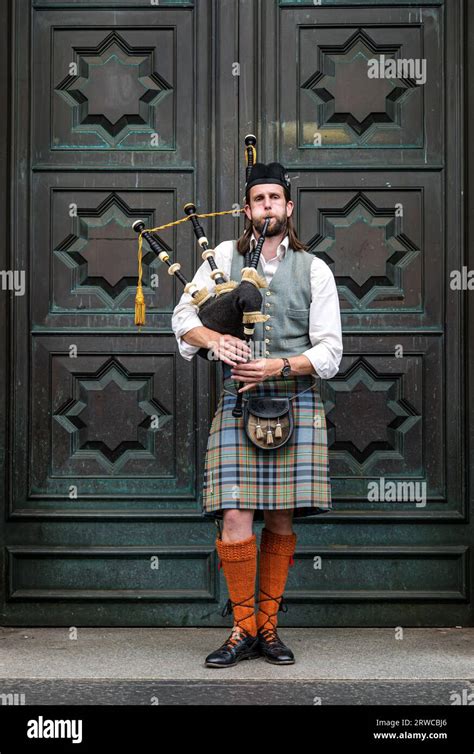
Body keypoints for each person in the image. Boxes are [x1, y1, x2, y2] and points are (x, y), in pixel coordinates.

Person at [171, 162, 343, 667]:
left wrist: (279, 365)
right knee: (235, 514)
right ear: (246, 209)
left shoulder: (315, 269)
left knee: (283, 517)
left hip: (295, 399)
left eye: (275, 198)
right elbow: (181, 320)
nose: (267, 205)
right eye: (258, 198)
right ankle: (242, 629)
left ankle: (269, 627)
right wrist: (215, 338)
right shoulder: (222, 257)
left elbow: (330, 353)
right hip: (239, 404)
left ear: (289, 207)